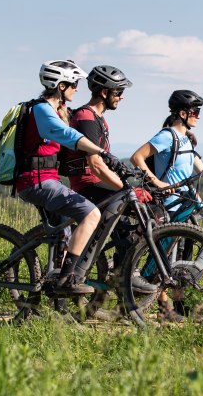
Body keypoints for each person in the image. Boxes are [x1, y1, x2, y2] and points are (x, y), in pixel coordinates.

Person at [130, 90, 203, 321]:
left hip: (186, 203)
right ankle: (160, 304)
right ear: (182, 113)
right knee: (165, 255)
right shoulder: (167, 136)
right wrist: (158, 182)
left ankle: (175, 306)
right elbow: (137, 158)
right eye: (195, 112)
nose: (198, 116)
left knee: (181, 255)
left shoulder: (186, 140)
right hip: (169, 204)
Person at [16, 59, 120, 294]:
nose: (77, 88)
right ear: (60, 86)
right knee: (91, 213)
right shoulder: (42, 109)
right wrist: (101, 151)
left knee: (64, 235)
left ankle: (57, 291)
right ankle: (68, 279)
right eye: (74, 83)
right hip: (36, 181)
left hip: (46, 180)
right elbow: (67, 134)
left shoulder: (60, 111)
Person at [65, 65, 157, 294]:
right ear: (104, 92)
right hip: (88, 186)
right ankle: (123, 274)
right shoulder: (86, 117)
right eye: (118, 91)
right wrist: (127, 191)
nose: (122, 96)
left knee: (147, 214)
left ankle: (122, 272)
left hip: (97, 184)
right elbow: (95, 165)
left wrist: (128, 184)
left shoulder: (99, 120)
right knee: (136, 207)